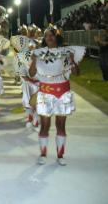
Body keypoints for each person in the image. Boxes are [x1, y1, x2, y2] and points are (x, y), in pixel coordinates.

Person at [29, 26, 84, 166]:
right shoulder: (38, 53)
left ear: (56, 37)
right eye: (46, 35)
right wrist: (34, 61)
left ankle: (60, 155)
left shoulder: (66, 52)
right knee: (45, 126)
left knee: (61, 125)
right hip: (46, 92)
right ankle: (43, 154)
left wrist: (72, 61)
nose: (49, 37)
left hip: (63, 92)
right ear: (44, 38)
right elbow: (31, 73)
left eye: (52, 35)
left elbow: (77, 73)